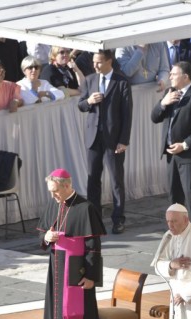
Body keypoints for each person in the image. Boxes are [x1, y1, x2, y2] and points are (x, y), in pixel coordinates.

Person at [37, 169, 106, 319]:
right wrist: (47, 237)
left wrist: (92, 277)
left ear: (67, 185)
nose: (53, 196)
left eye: (56, 191)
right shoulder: (54, 204)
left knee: (75, 317)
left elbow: (94, 247)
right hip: (56, 269)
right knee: (54, 316)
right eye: (51, 192)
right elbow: (42, 236)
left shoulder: (86, 208)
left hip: (77, 271)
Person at [150, 61, 191, 234]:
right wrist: (163, 103)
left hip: (190, 155)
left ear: (185, 77)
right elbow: (154, 118)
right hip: (172, 154)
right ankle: (179, 234)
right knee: (174, 197)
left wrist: (184, 145)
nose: (170, 76)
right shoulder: (170, 93)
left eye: (173, 74)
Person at [77, 50, 133, 235]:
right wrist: (89, 101)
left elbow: (127, 113)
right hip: (93, 137)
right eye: (94, 62)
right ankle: (94, 219)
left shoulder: (121, 82)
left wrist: (123, 140)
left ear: (109, 61)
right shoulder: (90, 80)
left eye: (99, 62)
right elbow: (80, 105)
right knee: (93, 178)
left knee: (116, 179)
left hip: (113, 139)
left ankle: (118, 219)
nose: (95, 65)